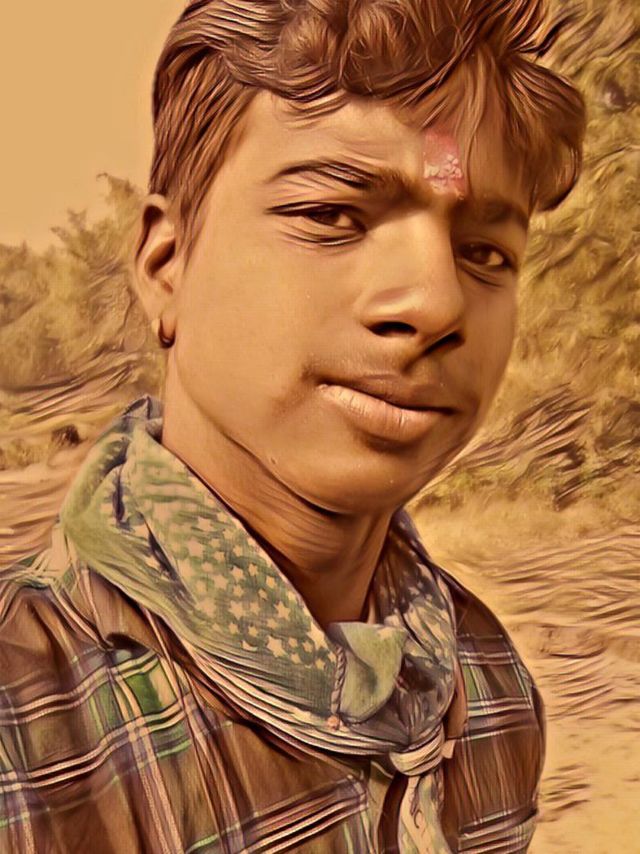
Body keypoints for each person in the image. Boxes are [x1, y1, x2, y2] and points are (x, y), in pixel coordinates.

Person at [0, 0, 585, 851]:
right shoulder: (24, 731)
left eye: (485, 254)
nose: (436, 302)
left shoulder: (491, 688)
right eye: (330, 216)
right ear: (166, 264)